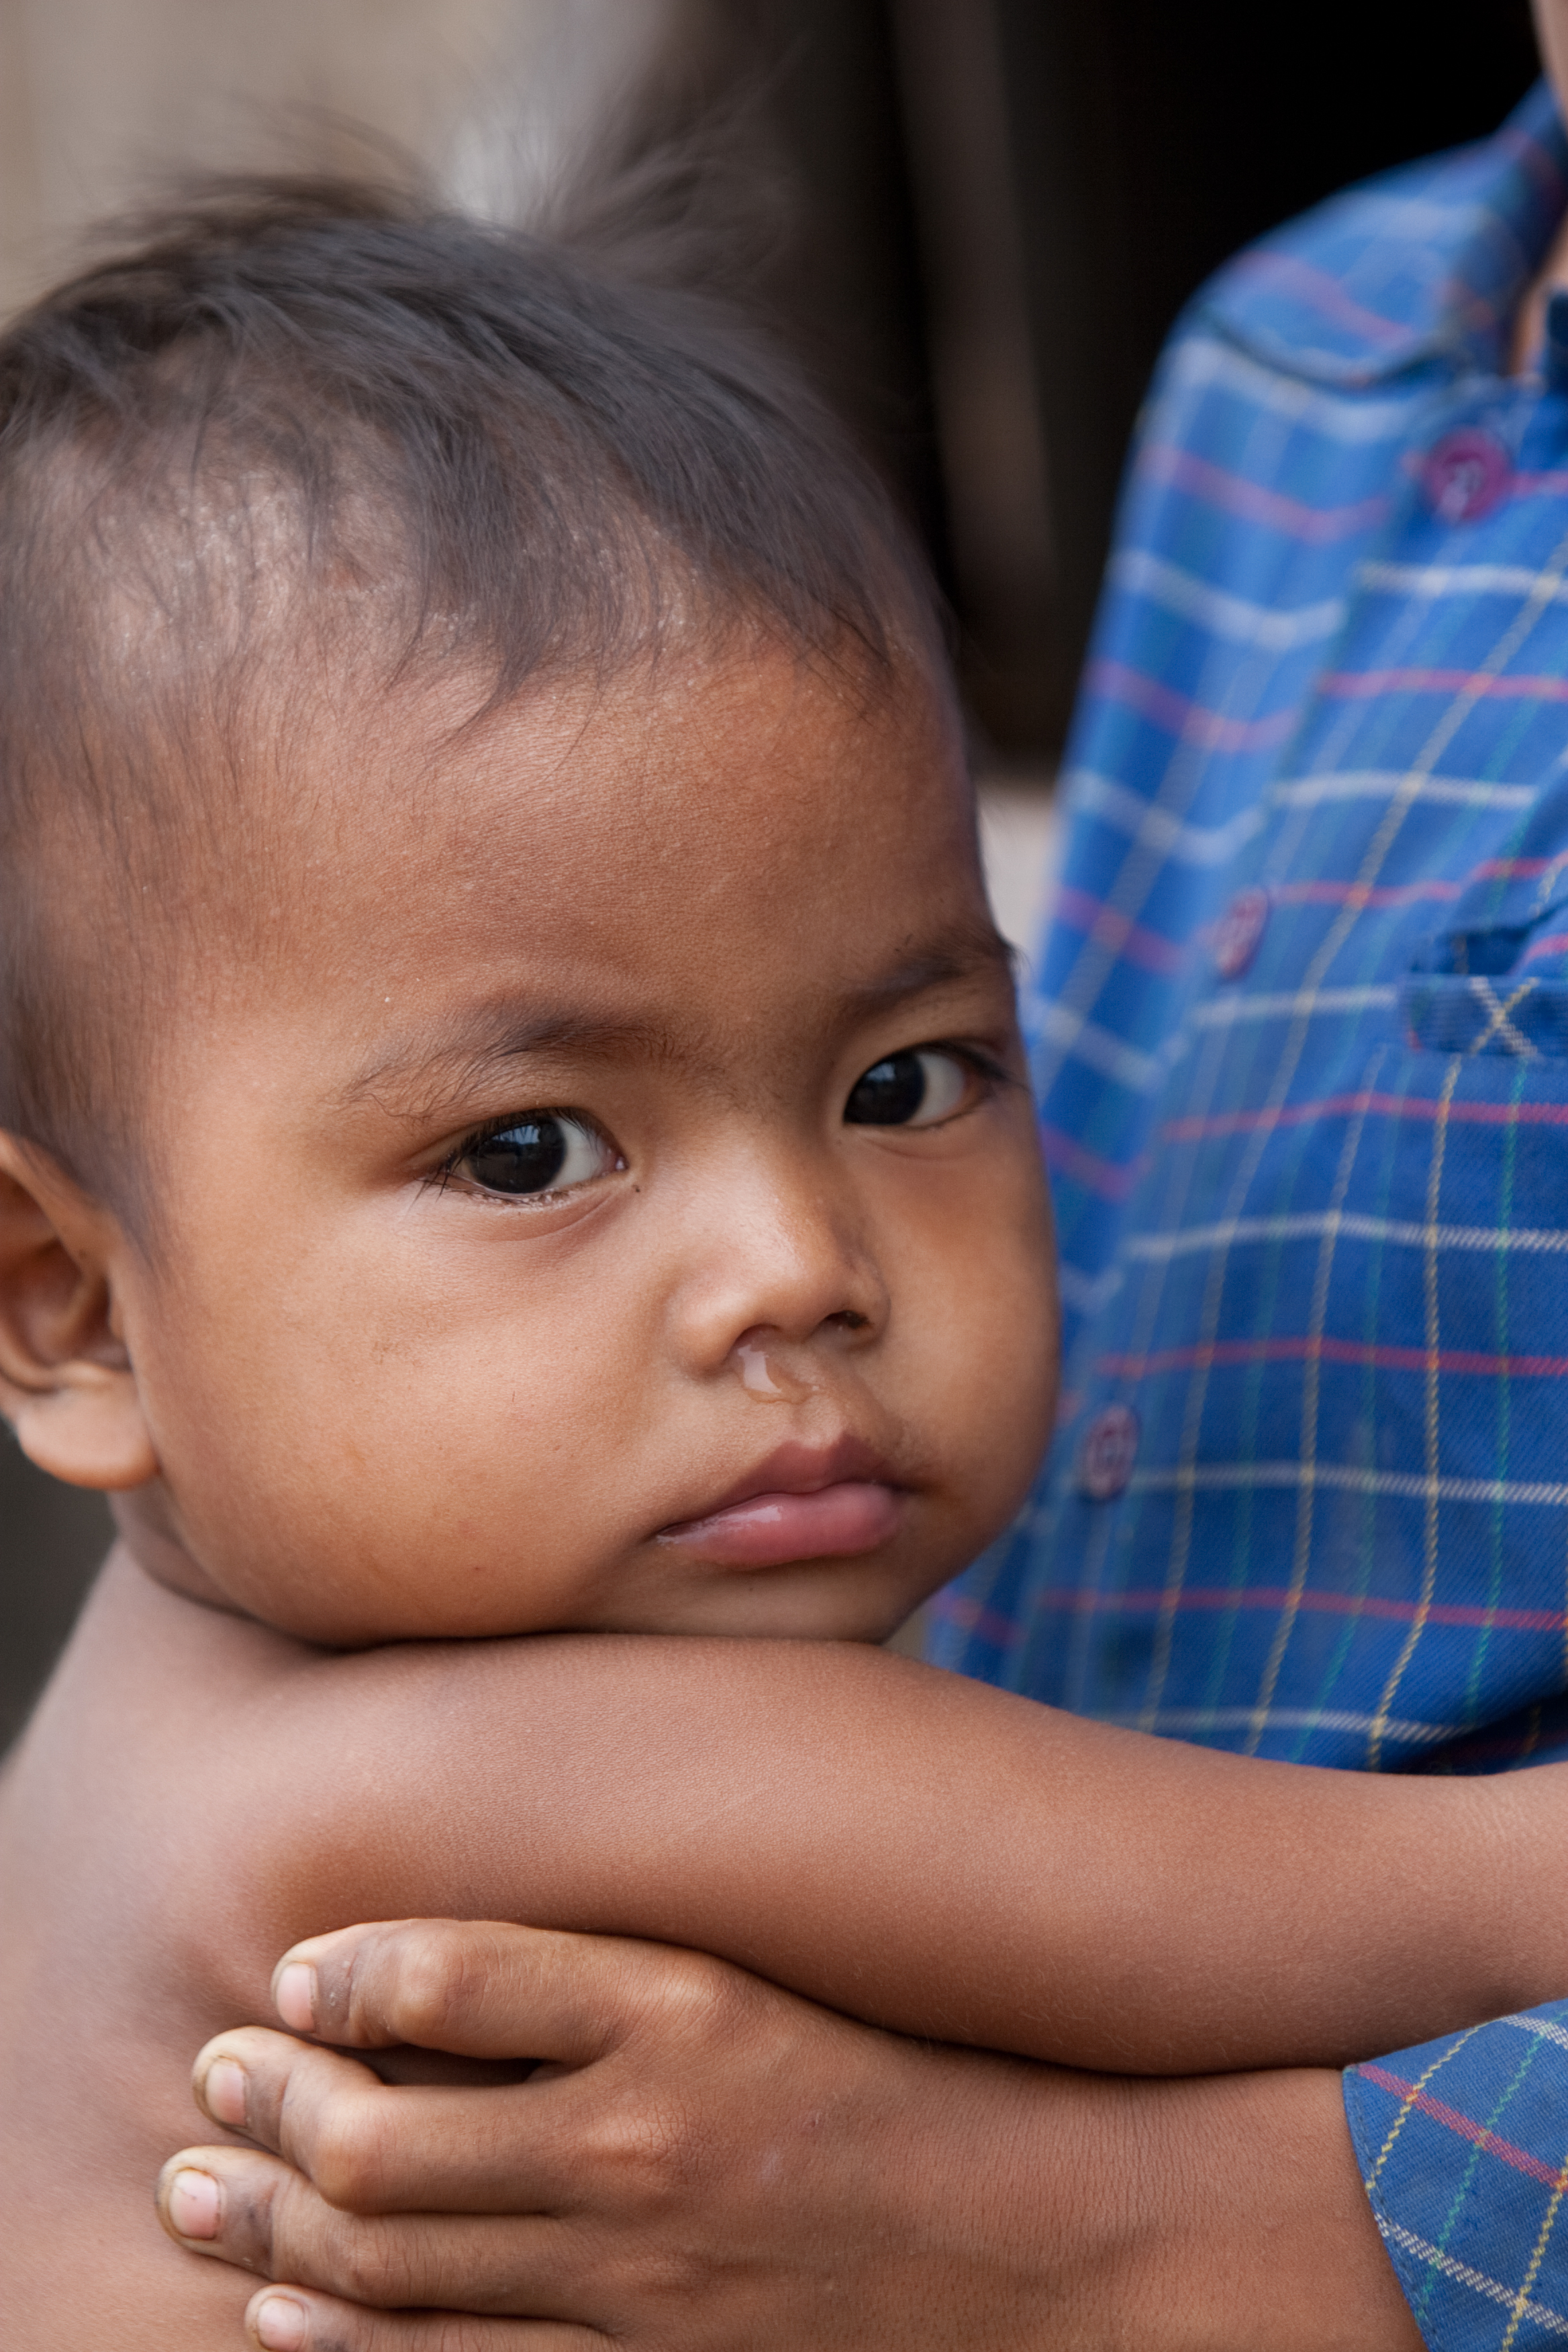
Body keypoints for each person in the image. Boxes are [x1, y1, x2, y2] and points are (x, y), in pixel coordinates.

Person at [134, 7, 1568, 2349]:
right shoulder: (466, 1766)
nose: (799, 1267)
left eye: (909, 1086)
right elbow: (1265, 1901)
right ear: (73, 1311)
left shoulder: (210, 1689)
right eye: (529, 1151)